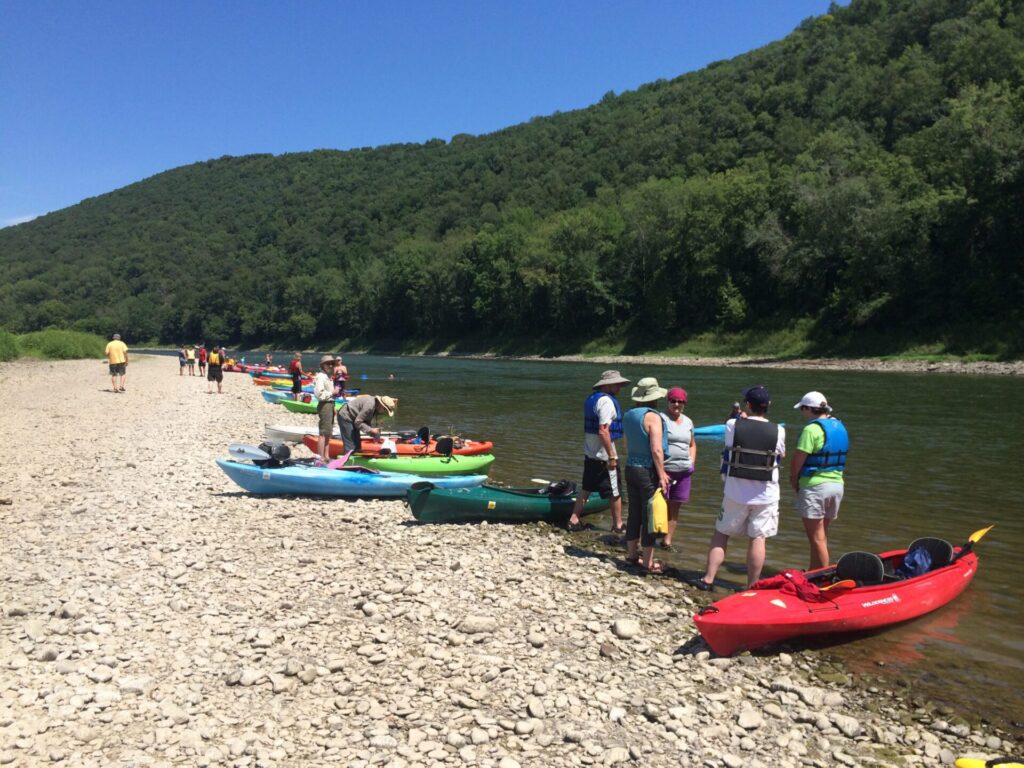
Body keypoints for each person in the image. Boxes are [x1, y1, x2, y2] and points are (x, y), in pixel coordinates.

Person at [695, 385, 785, 590]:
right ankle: (752, 585)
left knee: (721, 533)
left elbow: (729, 444)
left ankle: (708, 579)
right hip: (766, 494)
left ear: (748, 405)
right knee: (758, 538)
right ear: (768, 405)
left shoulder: (732, 425)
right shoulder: (779, 430)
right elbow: (781, 455)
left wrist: (740, 419)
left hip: (735, 491)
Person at [790, 391, 849, 570]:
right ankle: (814, 572)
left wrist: (793, 479)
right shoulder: (839, 425)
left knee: (816, 537)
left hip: (815, 486)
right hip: (837, 485)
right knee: (821, 535)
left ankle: (823, 579)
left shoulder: (811, 429)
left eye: (803, 409)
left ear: (809, 409)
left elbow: (798, 459)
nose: (802, 413)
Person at [567, 370, 630, 533]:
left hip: (590, 453)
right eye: (617, 384)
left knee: (586, 488)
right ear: (608, 385)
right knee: (615, 491)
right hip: (603, 456)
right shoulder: (607, 402)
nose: (620, 387)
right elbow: (603, 430)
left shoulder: (591, 399)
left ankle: (573, 519)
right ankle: (618, 525)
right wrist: (612, 456)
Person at [622, 378, 671, 573]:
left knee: (634, 513)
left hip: (630, 467)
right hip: (647, 470)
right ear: (655, 397)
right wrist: (661, 474)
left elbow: (626, 445)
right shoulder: (653, 417)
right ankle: (648, 563)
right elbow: (656, 449)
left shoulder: (628, 415)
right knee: (651, 514)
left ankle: (632, 555)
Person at [661, 387, 696, 551]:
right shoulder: (661, 419)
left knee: (675, 507)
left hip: (684, 471)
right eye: (673, 400)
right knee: (659, 506)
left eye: (680, 401)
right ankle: (649, 539)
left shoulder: (688, 421)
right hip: (664, 470)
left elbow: (692, 444)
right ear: (668, 401)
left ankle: (667, 541)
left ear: (684, 403)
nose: (676, 404)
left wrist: (692, 463)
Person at [336, 394, 398, 461]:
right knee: (351, 446)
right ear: (381, 405)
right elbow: (358, 423)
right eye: (385, 409)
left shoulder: (375, 407)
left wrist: (373, 434)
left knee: (357, 446)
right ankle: (347, 461)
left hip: (355, 418)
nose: (384, 411)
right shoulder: (370, 406)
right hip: (346, 416)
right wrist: (371, 430)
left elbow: (365, 423)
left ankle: (356, 460)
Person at [313, 355, 338, 463]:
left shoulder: (328, 376)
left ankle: (326, 456)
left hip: (330, 404)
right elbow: (319, 394)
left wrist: (334, 406)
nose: (330, 365)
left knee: (328, 432)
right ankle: (320, 457)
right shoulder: (321, 376)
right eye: (327, 363)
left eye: (331, 363)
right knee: (323, 432)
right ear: (322, 365)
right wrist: (332, 392)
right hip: (324, 404)